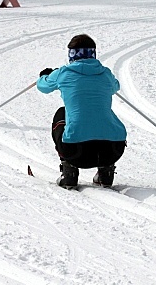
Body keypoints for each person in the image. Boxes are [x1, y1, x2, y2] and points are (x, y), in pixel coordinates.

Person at [37, 34, 127, 189]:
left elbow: (43, 86)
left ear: (71, 55)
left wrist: (46, 75)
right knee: (103, 115)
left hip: (76, 153)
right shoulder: (105, 73)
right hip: (112, 150)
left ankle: (69, 171)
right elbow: (115, 87)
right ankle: (106, 171)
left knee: (61, 114)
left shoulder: (63, 74)